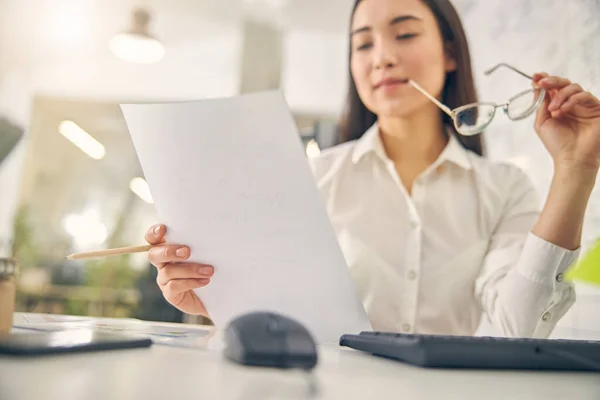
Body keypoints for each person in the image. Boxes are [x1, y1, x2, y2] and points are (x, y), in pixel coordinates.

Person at [144, 0, 600, 338]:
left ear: (449, 53)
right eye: (363, 43)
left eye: (403, 35)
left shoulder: (504, 188)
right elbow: (280, 318)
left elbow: (518, 329)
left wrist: (574, 171)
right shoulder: (314, 180)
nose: (381, 56)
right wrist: (213, 301)